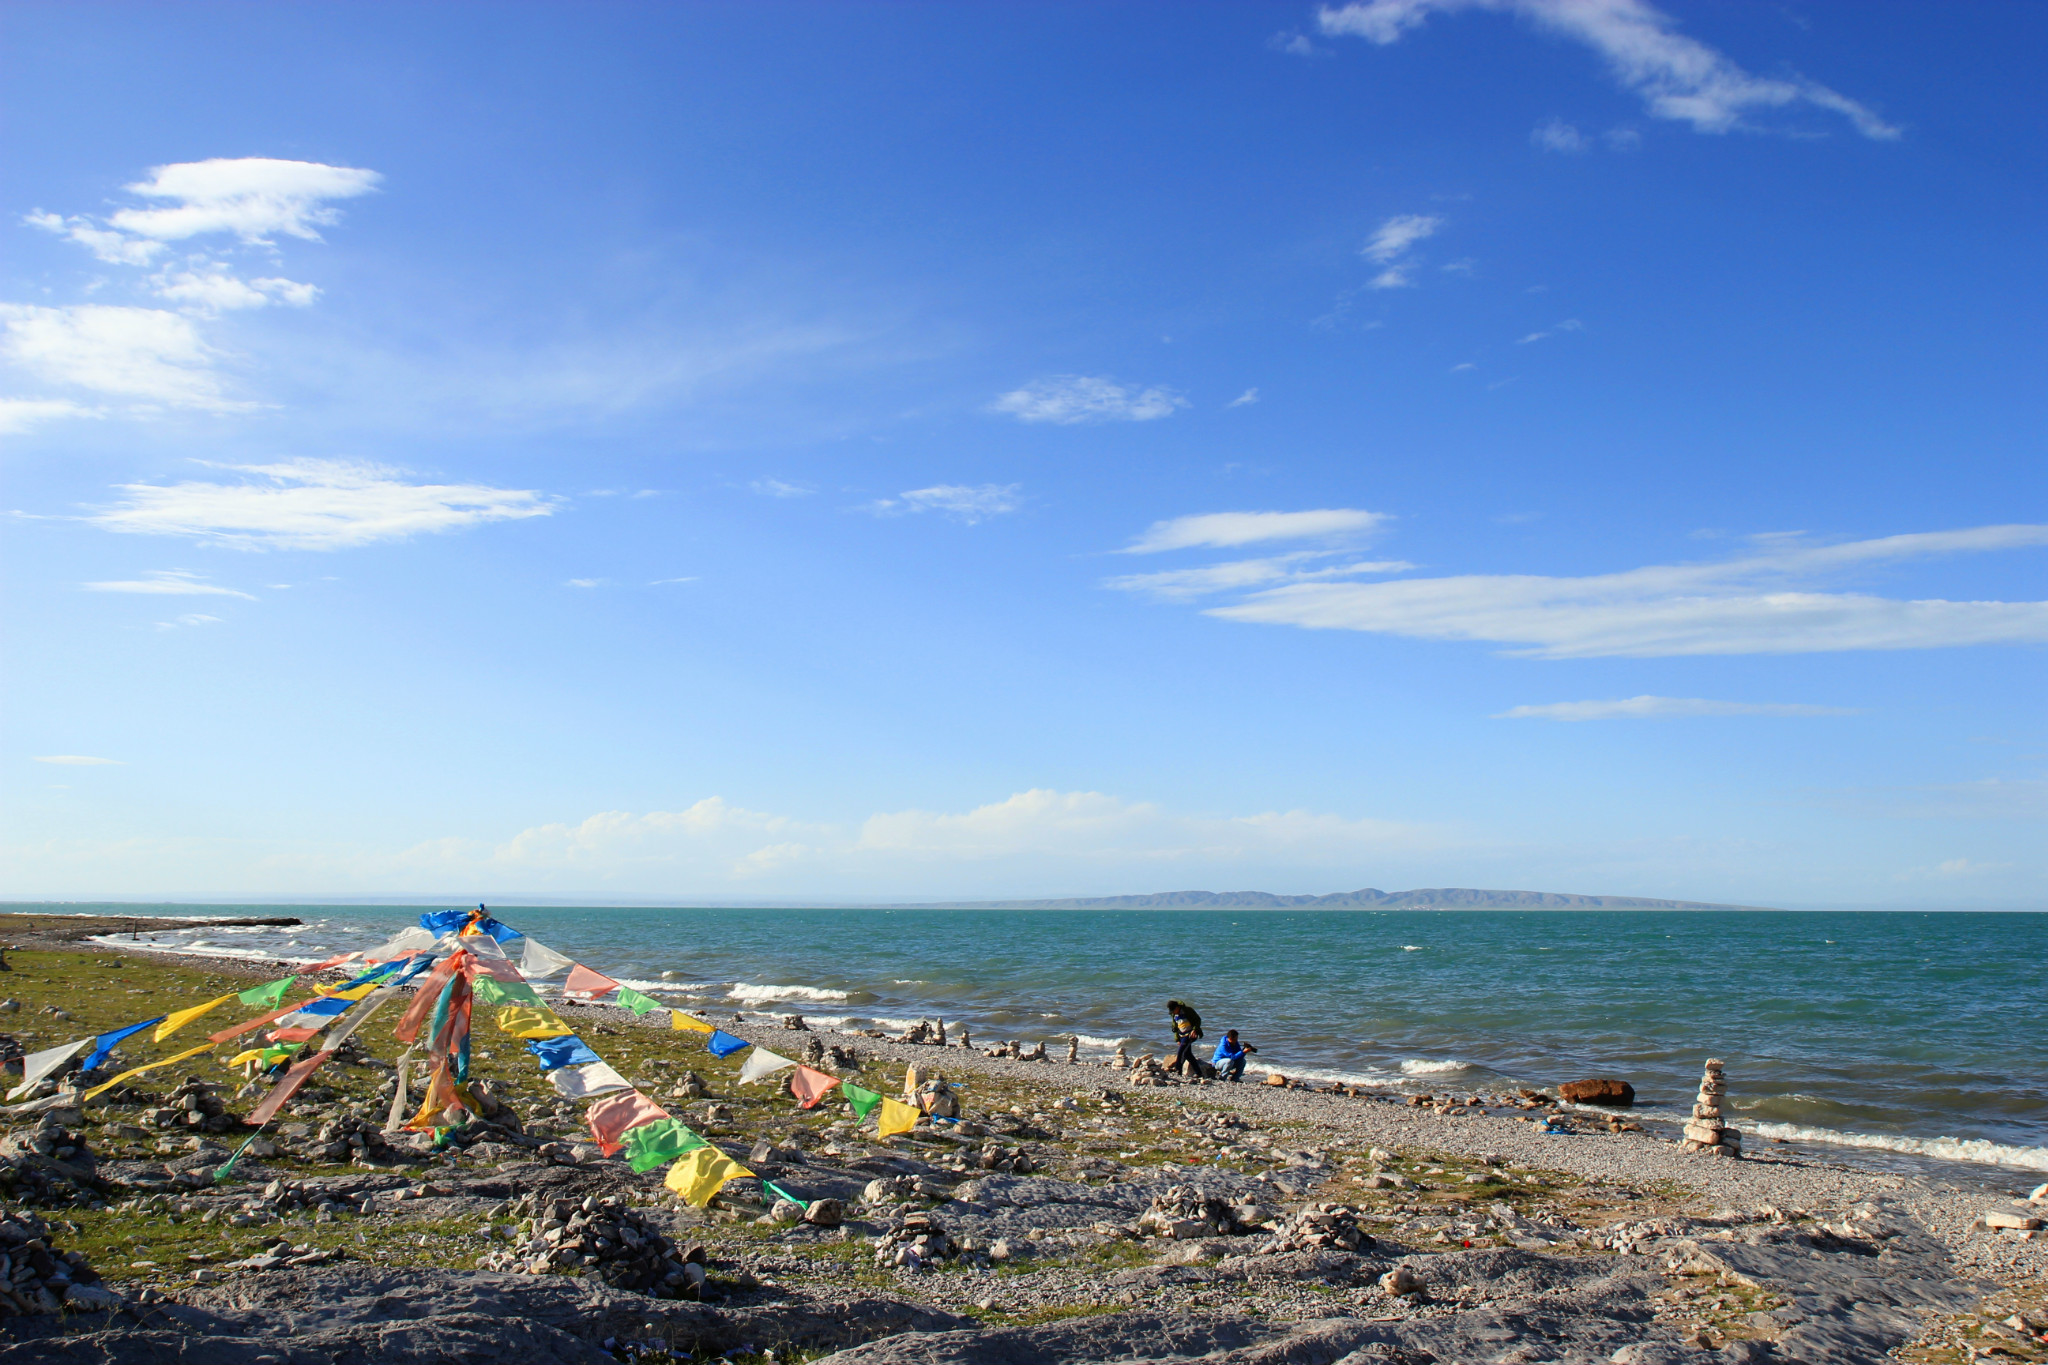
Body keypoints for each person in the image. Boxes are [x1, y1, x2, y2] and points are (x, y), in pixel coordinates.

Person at [1167, 999, 1203, 1076]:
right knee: (1187, 1054)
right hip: (1181, 1036)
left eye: (1173, 1010)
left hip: (1190, 1035)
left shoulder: (1187, 1010)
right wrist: (1177, 1039)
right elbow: (1176, 1028)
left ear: (1177, 1007)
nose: (1173, 1012)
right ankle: (1198, 1072)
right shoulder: (1174, 1015)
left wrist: (1194, 1030)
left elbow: (1198, 1020)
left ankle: (1178, 1069)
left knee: (1181, 1051)